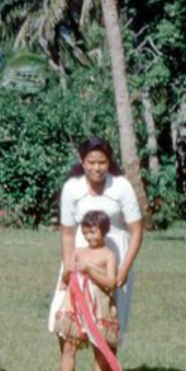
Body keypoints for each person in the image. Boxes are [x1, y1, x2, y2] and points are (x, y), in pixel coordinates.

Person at [47, 137, 143, 351]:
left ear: (109, 162)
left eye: (102, 162)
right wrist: (68, 265)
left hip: (114, 258)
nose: (97, 168)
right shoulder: (72, 188)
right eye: (91, 162)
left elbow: (136, 231)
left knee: (108, 315)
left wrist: (124, 268)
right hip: (79, 256)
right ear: (83, 162)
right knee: (63, 312)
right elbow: (68, 234)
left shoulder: (121, 186)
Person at [46, 211, 124, 371]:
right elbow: (66, 277)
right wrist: (68, 272)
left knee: (100, 348)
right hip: (76, 305)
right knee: (69, 347)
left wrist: (90, 270)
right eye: (86, 232)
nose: (89, 237)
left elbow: (111, 282)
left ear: (104, 231)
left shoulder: (108, 255)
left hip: (99, 307)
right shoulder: (79, 252)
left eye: (93, 232)